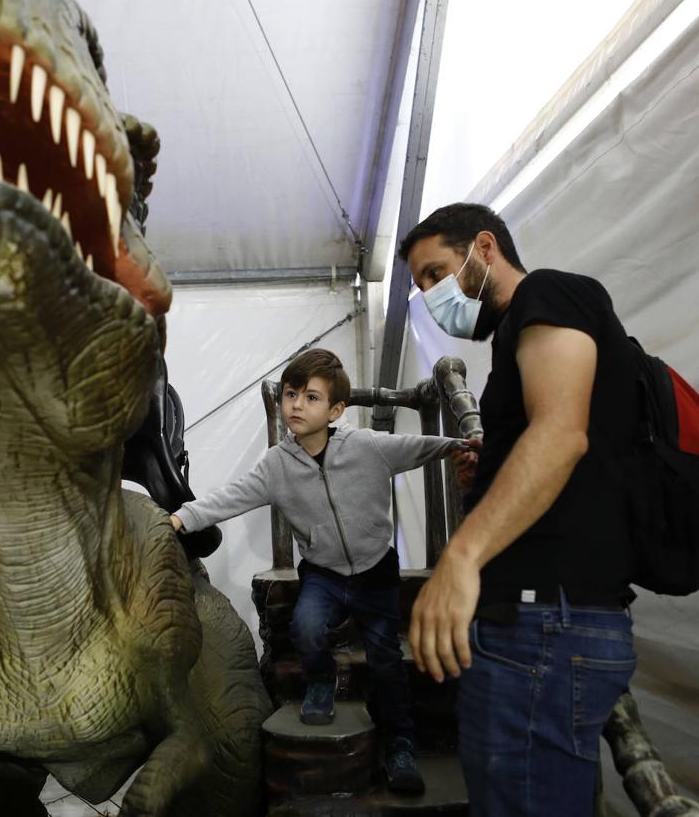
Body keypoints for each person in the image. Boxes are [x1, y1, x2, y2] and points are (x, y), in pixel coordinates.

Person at [400, 202, 639, 816]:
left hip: (544, 627)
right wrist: (498, 468)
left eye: (435, 273)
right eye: (419, 285)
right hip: (537, 627)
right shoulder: (514, 334)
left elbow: (561, 435)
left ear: (484, 248)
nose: (429, 295)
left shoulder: (552, 294)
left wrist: (461, 556)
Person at [170, 348, 469, 795]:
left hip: (374, 572)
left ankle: (401, 743)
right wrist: (181, 518)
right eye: (291, 394)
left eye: (311, 397)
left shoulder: (367, 447)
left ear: (335, 410)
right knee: (307, 627)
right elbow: (229, 497)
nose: (295, 405)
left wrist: (459, 446)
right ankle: (322, 680)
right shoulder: (276, 466)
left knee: (387, 660)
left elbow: (418, 447)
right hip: (324, 572)